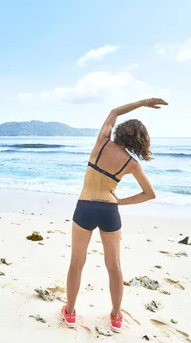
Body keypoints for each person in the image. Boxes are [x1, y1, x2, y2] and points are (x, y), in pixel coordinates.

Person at [61, 97, 168, 333]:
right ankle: (116, 317)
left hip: (85, 206)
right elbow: (149, 194)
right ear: (138, 141)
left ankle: (69, 313)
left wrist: (144, 103)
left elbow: (114, 110)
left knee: (77, 262)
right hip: (110, 211)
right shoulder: (131, 163)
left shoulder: (101, 142)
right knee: (114, 266)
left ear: (120, 131)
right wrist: (120, 202)